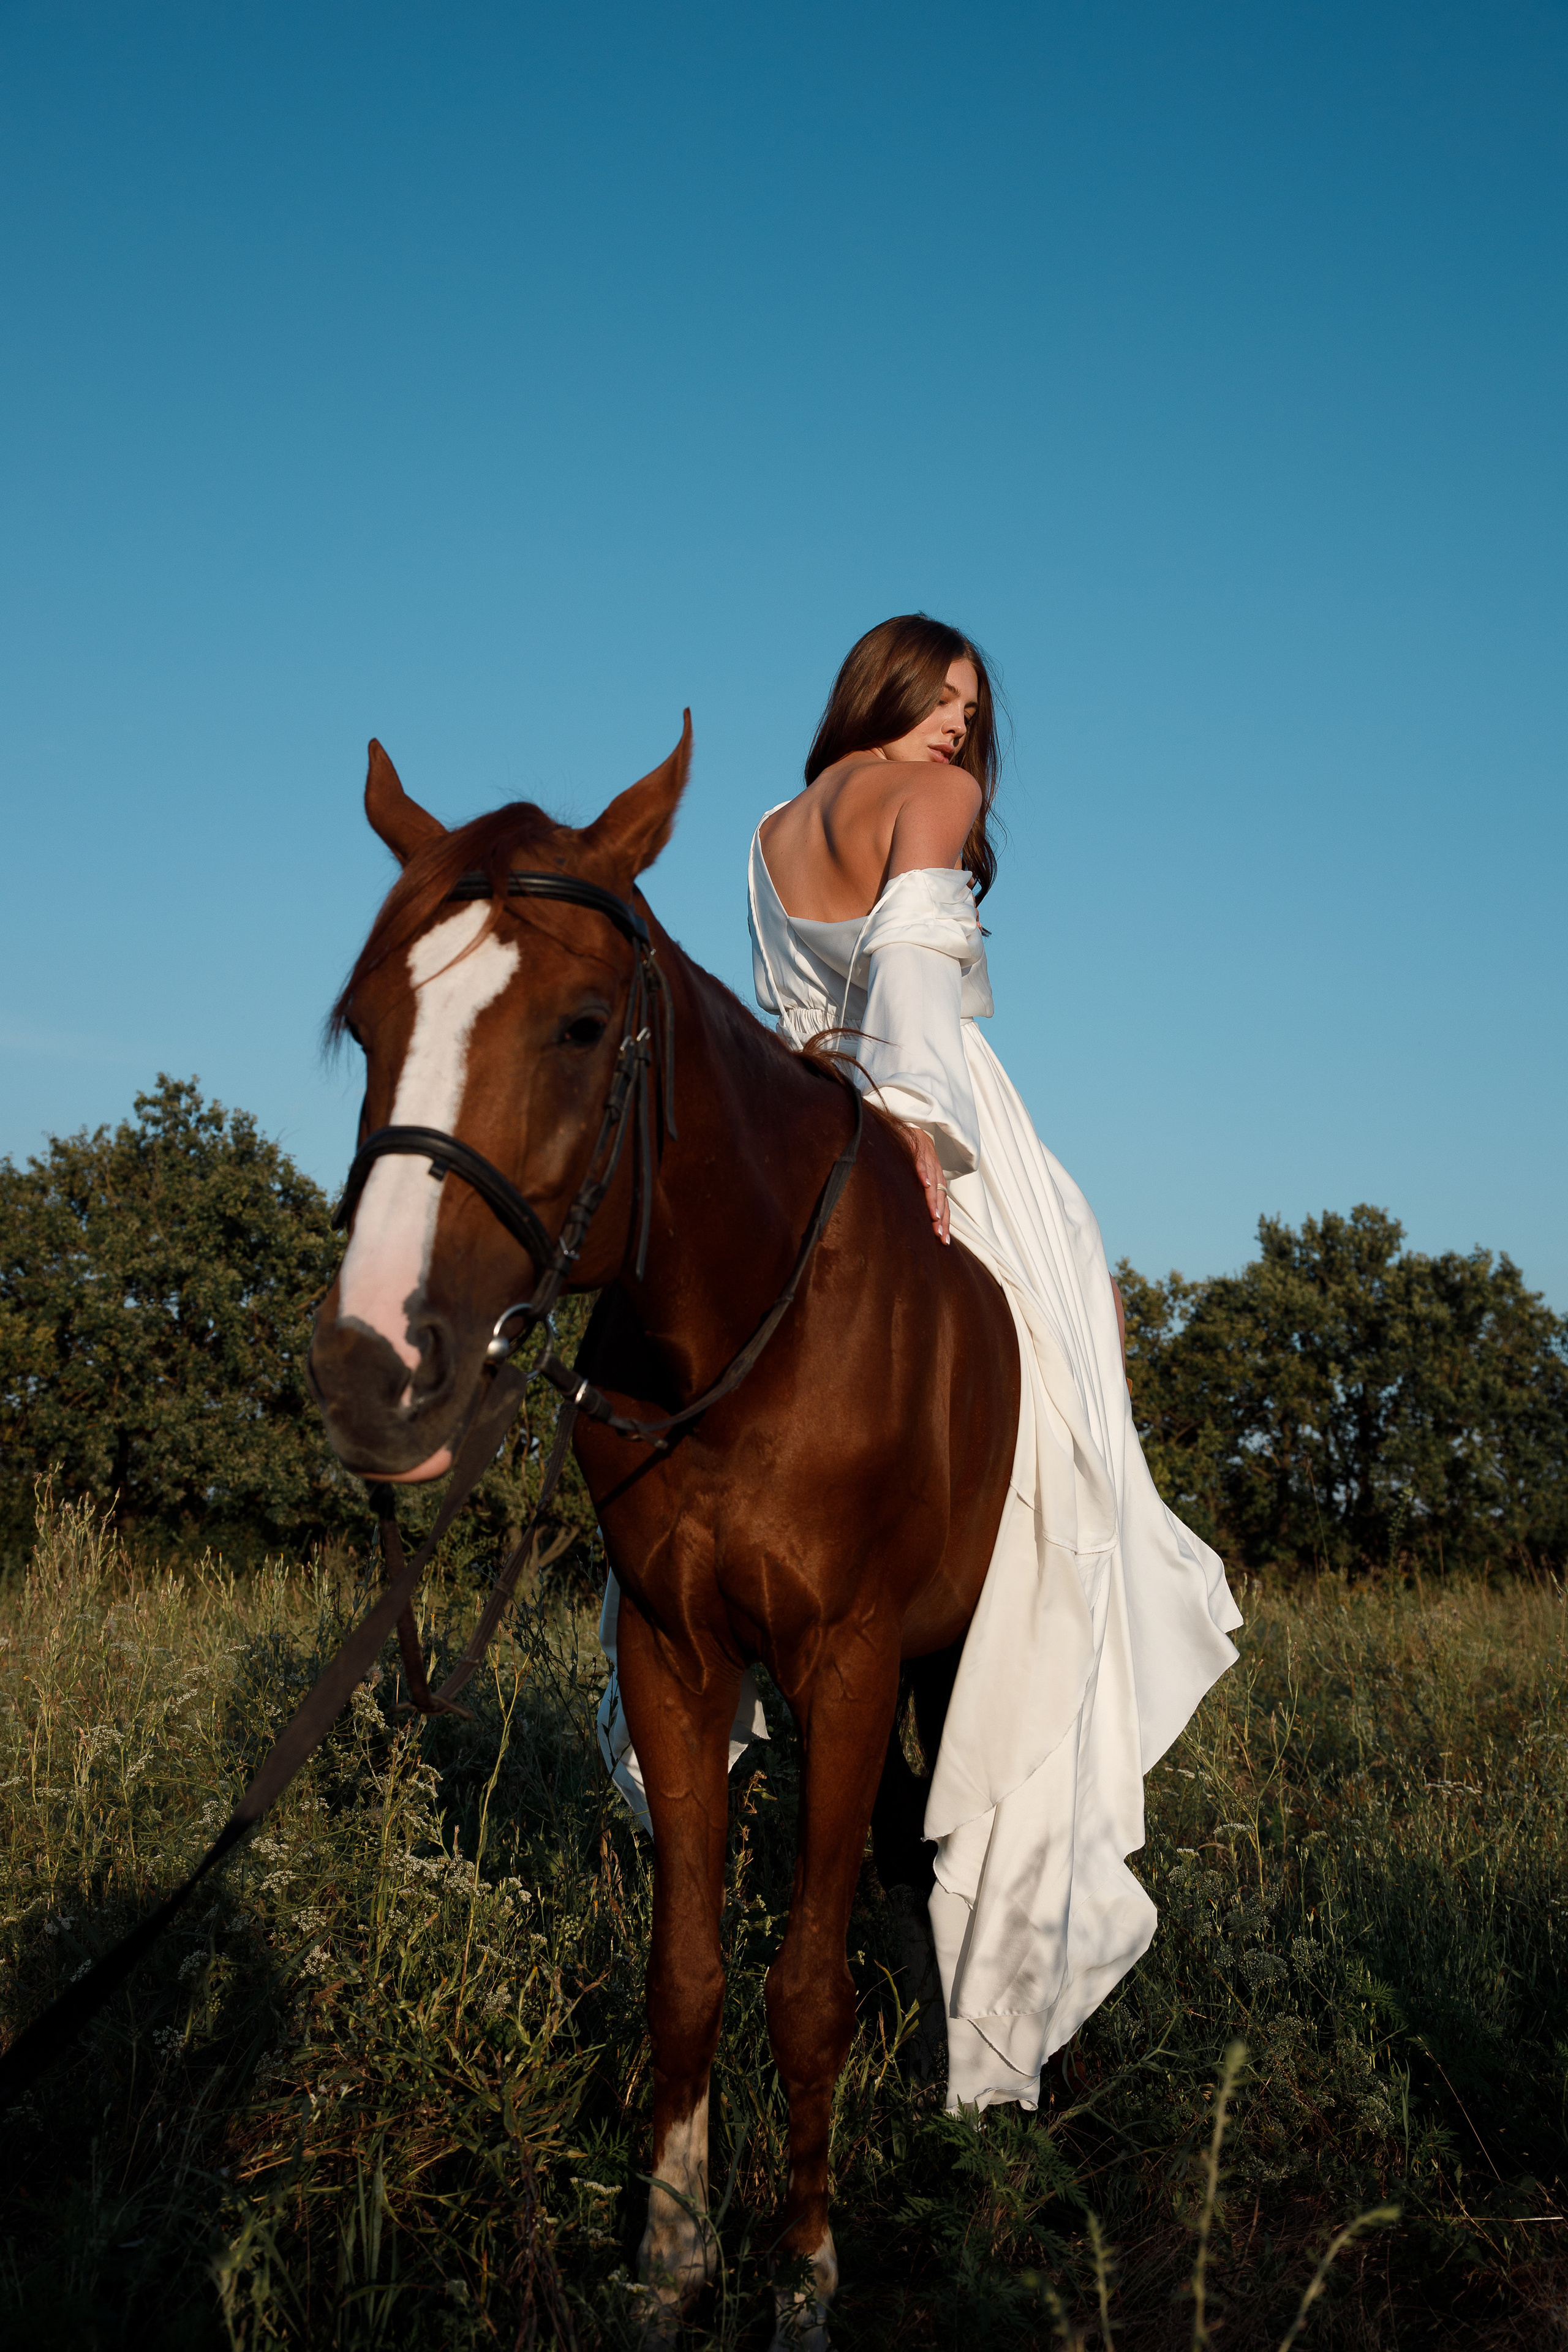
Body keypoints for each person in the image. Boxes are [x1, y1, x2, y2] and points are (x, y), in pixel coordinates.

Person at [744, 612, 1243, 2109]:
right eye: (937, 697)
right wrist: (914, 1124)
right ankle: (1022, 1841)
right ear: (880, 697)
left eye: (969, 709)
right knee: (1069, 1475)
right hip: (932, 1122)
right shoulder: (934, 805)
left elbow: (789, 1016)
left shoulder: (769, 828)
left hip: (795, 1121)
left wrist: (836, 1098)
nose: (959, 728)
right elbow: (906, 997)